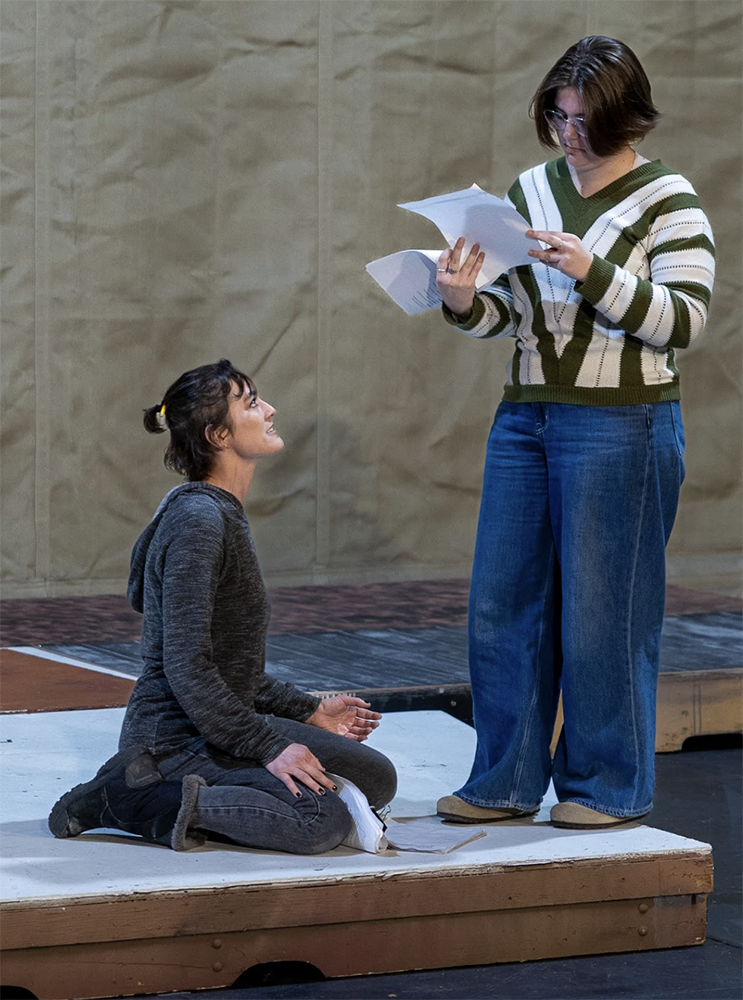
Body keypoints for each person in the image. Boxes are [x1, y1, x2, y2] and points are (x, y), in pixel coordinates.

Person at [433, 36, 715, 829]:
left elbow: (681, 322)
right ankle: (502, 781)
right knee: (501, 604)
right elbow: (509, 314)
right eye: (557, 116)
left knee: (604, 611)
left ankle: (605, 787)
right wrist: (460, 300)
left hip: (623, 419)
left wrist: (592, 268)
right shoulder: (529, 189)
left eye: (585, 118)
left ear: (625, 115)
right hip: (526, 413)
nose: (569, 134)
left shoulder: (669, 200)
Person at [50, 359, 397, 853]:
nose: (270, 409)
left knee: (374, 777)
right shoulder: (198, 521)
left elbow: (236, 673)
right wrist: (271, 747)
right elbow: (187, 665)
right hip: (171, 742)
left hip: (216, 723)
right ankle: (126, 797)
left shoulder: (216, 512)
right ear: (218, 435)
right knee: (319, 818)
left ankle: (209, 787)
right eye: (253, 403)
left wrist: (310, 710)